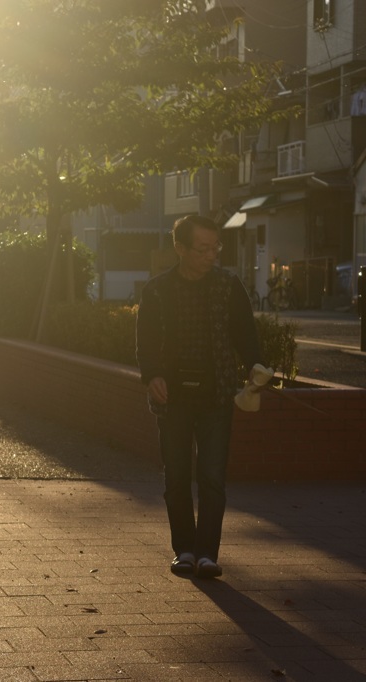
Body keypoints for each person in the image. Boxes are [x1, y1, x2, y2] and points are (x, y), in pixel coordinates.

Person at [136, 215, 263, 579]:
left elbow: (245, 334)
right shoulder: (157, 290)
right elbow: (145, 340)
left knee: (211, 477)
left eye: (215, 247)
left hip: (217, 394)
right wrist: (152, 375)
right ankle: (184, 550)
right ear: (180, 248)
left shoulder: (228, 286)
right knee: (176, 477)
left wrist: (257, 366)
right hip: (172, 397)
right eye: (202, 248)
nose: (212, 255)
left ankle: (207, 553)